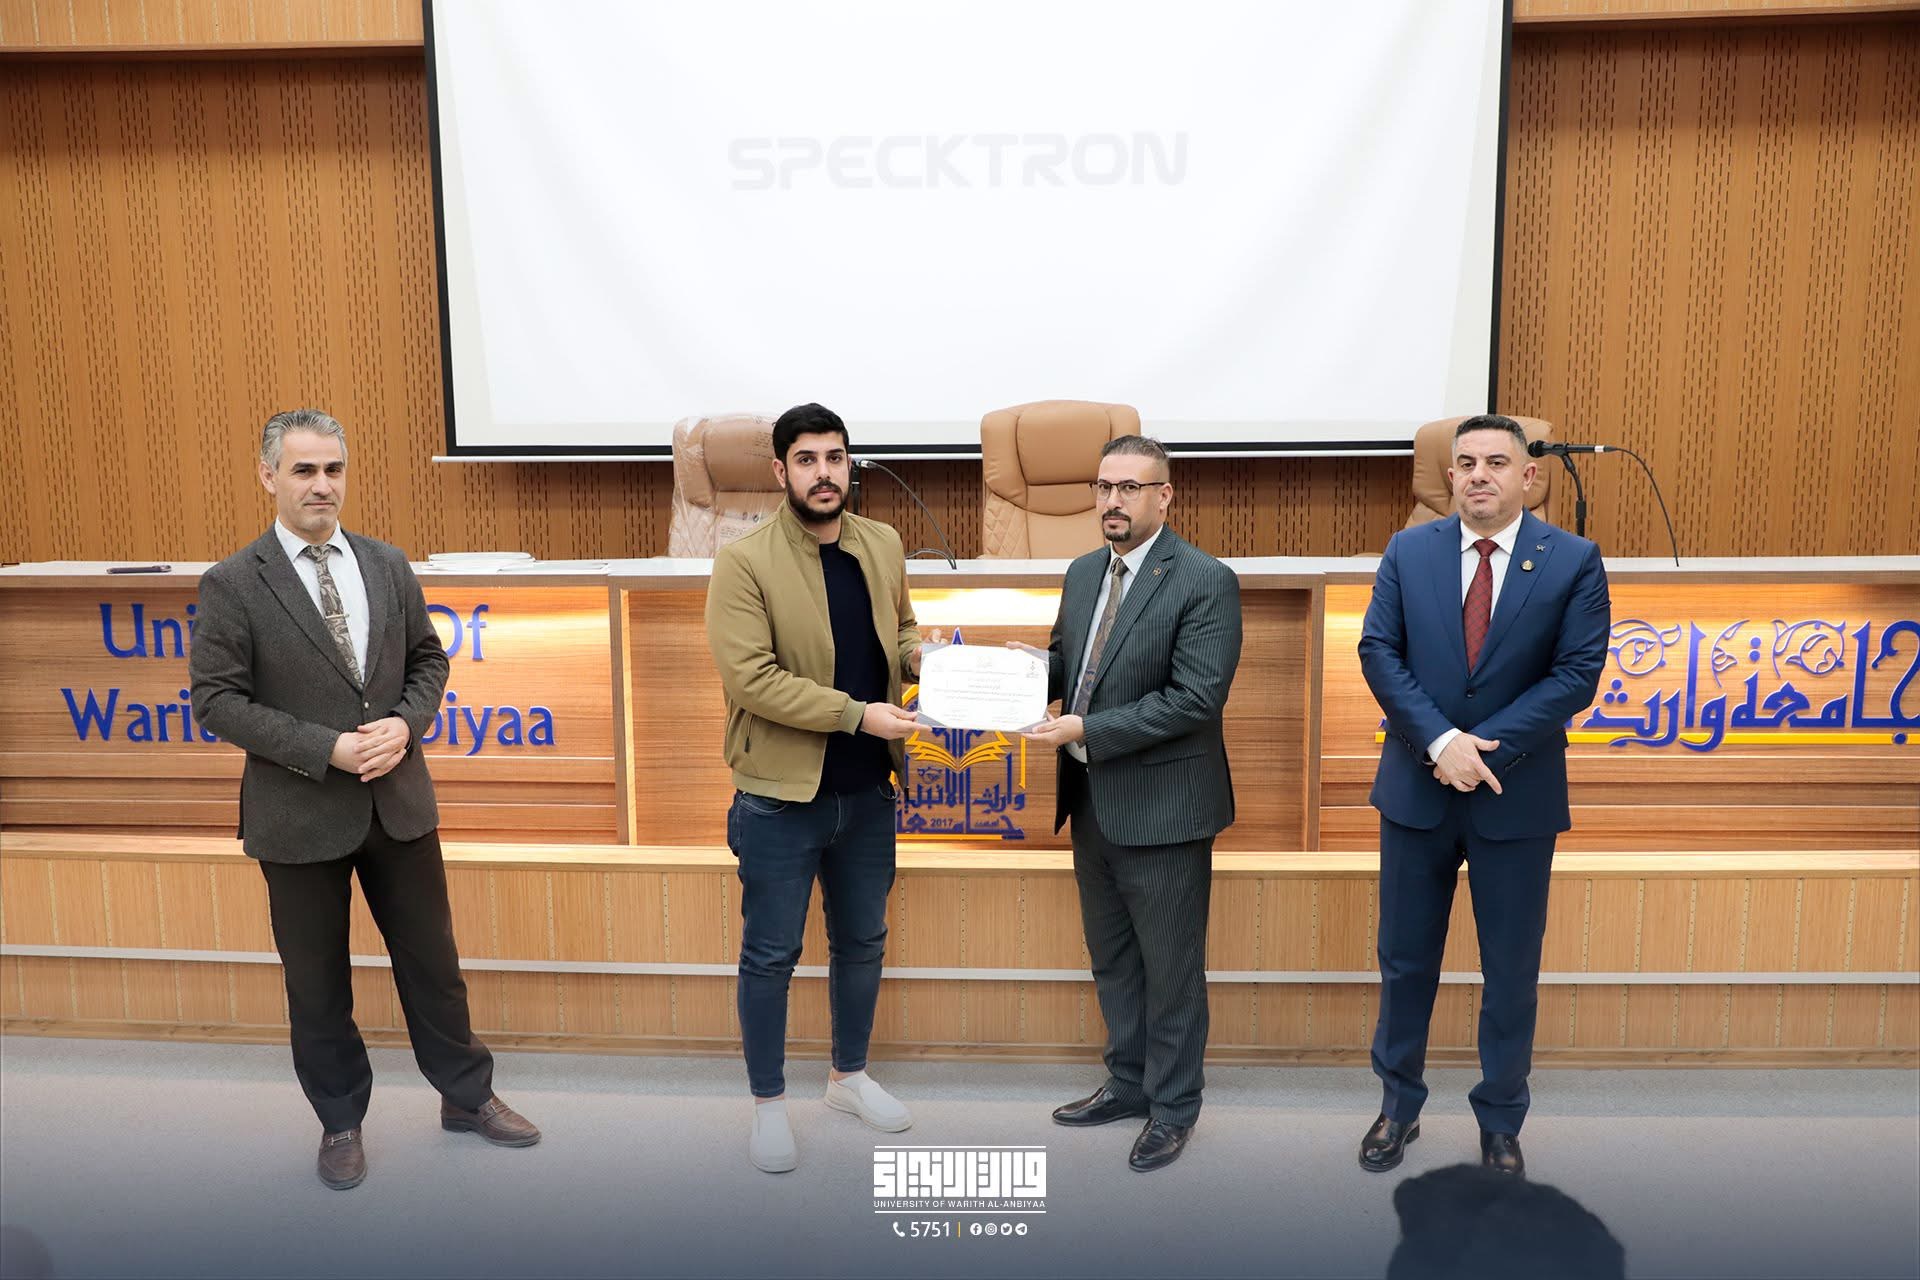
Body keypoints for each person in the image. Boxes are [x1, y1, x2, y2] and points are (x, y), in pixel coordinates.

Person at [189, 409, 538, 1192]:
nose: (321, 485)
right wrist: (328, 748)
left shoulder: (386, 563)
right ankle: (340, 1121)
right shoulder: (233, 583)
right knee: (317, 985)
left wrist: (406, 725)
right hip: (298, 813)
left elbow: (428, 660)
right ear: (268, 475)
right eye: (304, 470)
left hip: (399, 804)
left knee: (435, 967)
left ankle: (467, 1096)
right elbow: (217, 701)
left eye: (333, 470)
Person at [1356, 413, 1610, 1178]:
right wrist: (1442, 743)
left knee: (1510, 970)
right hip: (1418, 787)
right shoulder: (1408, 551)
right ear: (1450, 476)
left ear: (1529, 475)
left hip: (1516, 795)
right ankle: (1397, 1107)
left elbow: (1576, 674)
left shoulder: (1572, 560)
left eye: (1496, 462)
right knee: (1406, 962)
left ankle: (1501, 1118)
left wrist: (1481, 747)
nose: (1478, 475)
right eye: (1465, 462)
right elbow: (1379, 650)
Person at [704, 402, 927, 1174]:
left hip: (868, 792)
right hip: (780, 799)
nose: (823, 473)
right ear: (781, 471)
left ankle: (848, 1078)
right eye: (806, 460)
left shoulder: (881, 542)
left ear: (848, 464)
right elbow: (753, 680)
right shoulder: (744, 563)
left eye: (835, 457)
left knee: (862, 942)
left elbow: (900, 628)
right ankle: (768, 1105)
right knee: (771, 954)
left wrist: (924, 659)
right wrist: (858, 715)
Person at [1025, 435, 1242, 1172]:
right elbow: (1070, 661)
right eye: (1103, 487)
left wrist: (1088, 730)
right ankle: (1127, 1082)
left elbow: (1195, 697)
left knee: (1171, 970)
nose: (1112, 501)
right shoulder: (1085, 571)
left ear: (1163, 496)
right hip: (1092, 800)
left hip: (1166, 808)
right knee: (1113, 960)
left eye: (1129, 488)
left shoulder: (1204, 579)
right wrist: (1006, 672)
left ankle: (1174, 1107)